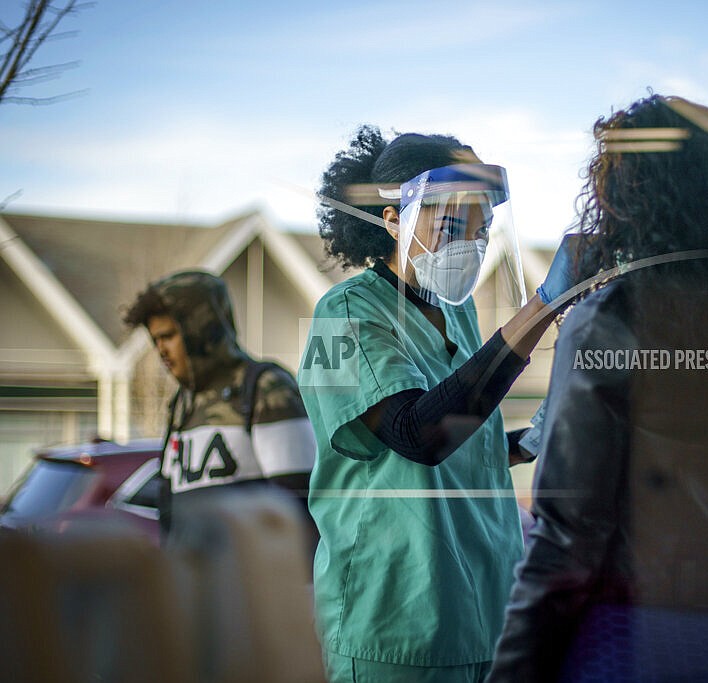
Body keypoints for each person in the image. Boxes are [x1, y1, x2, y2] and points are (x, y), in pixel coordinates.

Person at [486, 94, 708, 682]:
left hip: (637, 639)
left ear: (621, 196)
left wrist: (514, 671)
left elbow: (566, 534)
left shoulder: (612, 317)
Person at [299, 125, 581, 682]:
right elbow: (417, 436)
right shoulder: (345, 314)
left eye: (481, 229)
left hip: (483, 614)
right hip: (395, 624)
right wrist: (543, 305)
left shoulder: (459, 314)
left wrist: (532, 440)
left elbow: (461, 449)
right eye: (451, 224)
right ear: (393, 220)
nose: (468, 246)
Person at [122, 271, 317, 546]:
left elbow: (298, 512)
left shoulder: (266, 388)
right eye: (155, 340)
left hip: (257, 585)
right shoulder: (182, 403)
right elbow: (169, 513)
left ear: (202, 329)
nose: (161, 350)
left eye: (168, 336)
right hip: (195, 585)